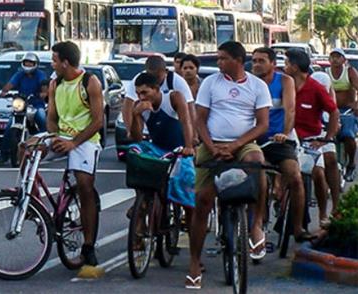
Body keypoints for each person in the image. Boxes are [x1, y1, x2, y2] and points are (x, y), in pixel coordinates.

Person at [187, 42, 272, 290]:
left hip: (243, 144)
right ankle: (194, 262)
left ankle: (256, 224)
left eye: (223, 58)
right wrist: (211, 146)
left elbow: (262, 124)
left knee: (258, 164)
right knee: (202, 201)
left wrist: (235, 145)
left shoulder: (257, 86)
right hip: (213, 144)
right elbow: (199, 119)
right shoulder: (211, 83)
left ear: (237, 60)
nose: (219, 62)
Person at [24, 41, 105, 278]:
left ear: (65, 62)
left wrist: (73, 143)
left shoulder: (90, 82)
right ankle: (28, 199)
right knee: (26, 148)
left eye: (54, 60)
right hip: (61, 135)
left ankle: (88, 245)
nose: (53, 64)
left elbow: (98, 121)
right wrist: (53, 137)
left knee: (84, 186)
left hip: (85, 139)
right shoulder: (54, 83)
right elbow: (51, 117)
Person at [251, 47, 315, 244]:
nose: (256, 65)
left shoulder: (285, 81)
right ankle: (255, 224)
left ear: (273, 64)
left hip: (278, 139)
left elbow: (290, 110)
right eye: (254, 61)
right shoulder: (249, 82)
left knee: (295, 177)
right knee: (253, 177)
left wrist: (285, 133)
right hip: (253, 139)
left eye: (261, 61)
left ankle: (297, 228)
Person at [128, 72, 195, 241]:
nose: (141, 97)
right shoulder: (140, 106)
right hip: (157, 149)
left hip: (178, 149)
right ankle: (140, 210)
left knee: (187, 191)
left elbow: (186, 122)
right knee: (137, 160)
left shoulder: (173, 98)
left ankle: (192, 227)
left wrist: (189, 147)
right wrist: (136, 115)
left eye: (145, 93)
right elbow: (135, 136)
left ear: (156, 89)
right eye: (138, 93)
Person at [285, 49, 340, 229]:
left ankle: (324, 213)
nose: (284, 67)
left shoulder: (315, 87)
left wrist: (327, 138)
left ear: (294, 67)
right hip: (288, 137)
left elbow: (333, 111)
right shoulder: (284, 85)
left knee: (317, 173)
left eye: (286, 63)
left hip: (312, 138)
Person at [0, 52, 48, 166]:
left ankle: (46, 145)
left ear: (35, 64)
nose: (28, 65)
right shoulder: (20, 74)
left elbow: (44, 86)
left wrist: (43, 93)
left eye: (30, 63)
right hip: (21, 105)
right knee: (9, 127)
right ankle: (3, 156)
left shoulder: (40, 74)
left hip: (36, 104)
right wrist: (4, 92)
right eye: (26, 63)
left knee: (42, 118)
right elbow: (10, 84)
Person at [326, 48, 358, 181]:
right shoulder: (326, 73)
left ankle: (351, 164)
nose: (335, 59)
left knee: (348, 136)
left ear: (344, 60)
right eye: (332, 57)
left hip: (347, 110)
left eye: (338, 57)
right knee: (323, 137)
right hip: (330, 110)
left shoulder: (350, 72)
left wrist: (356, 105)